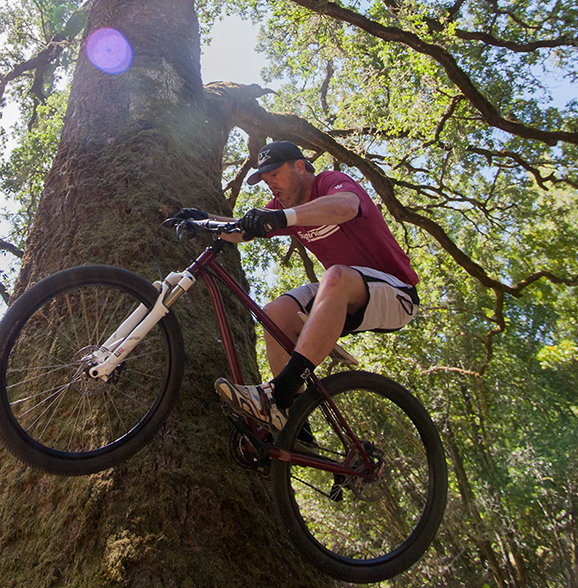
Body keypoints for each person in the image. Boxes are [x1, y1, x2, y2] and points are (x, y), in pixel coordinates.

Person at [176, 140, 419, 436]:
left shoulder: (330, 182)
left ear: (300, 167)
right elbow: (241, 229)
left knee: (336, 276)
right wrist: (202, 220)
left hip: (397, 293)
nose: (270, 184)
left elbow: (346, 206)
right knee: (275, 314)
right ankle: (293, 427)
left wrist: (284, 217)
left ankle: (277, 394)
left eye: (274, 174)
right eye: (265, 179)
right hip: (346, 291)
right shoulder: (284, 207)